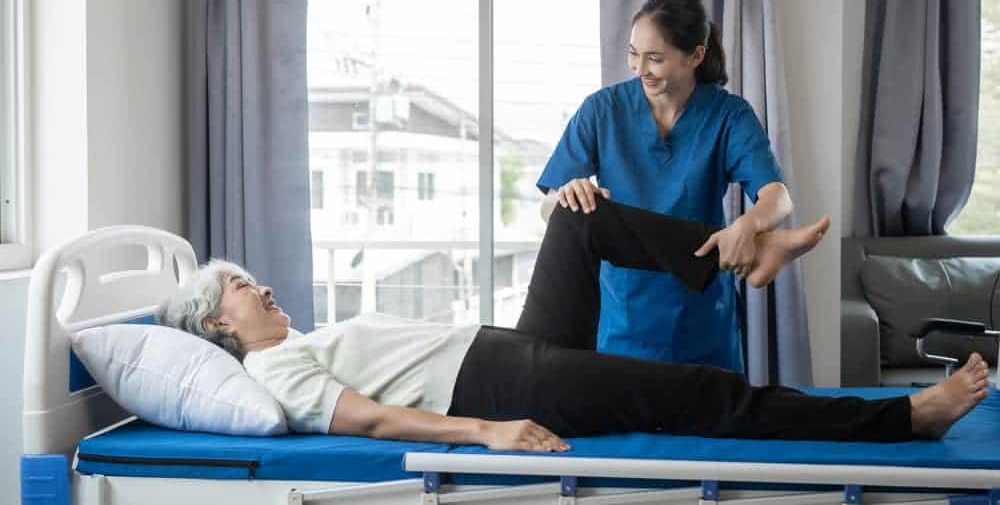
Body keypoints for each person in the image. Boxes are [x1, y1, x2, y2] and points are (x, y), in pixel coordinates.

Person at [158, 200, 988, 452]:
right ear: (215, 325)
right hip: (504, 384)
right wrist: (488, 432)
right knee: (700, 394)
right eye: (238, 288)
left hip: (503, 346)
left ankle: (744, 253)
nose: (258, 286)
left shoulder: (292, 345)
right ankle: (903, 416)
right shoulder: (273, 377)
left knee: (576, 217)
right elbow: (372, 417)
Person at [534, 0, 792, 371]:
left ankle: (772, 241)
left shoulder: (728, 115)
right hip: (625, 317)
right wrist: (568, 197)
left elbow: (778, 197)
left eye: (655, 58)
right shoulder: (602, 110)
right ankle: (773, 245)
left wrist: (749, 225)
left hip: (701, 315)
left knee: (714, 424)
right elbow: (548, 208)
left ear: (696, 56)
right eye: (634, 54)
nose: (639, 69)